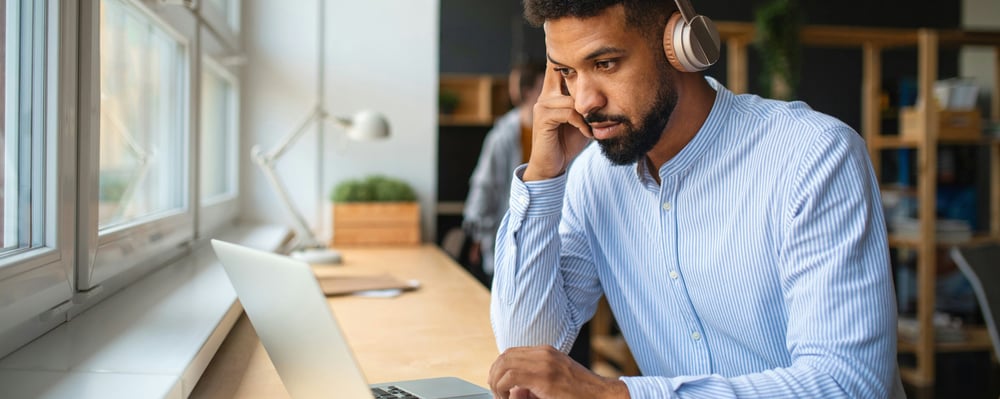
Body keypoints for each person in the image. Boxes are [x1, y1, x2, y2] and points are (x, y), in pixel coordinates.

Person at [487, 1, 903, 398]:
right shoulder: (592, 179)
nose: (584, 101)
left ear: (679, 45)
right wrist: (543, 175)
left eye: (605, 64)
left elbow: (848, 385)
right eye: (566, 72)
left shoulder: (813, 157)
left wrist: (615, 394)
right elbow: (526, 350)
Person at [463, 61, 546, 284]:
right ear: (528, 92)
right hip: (510, 235)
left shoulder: (565, 132)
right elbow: (485, 184)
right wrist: (478, 235)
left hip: (546, 234)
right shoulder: (503, 136)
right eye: (544, 85)